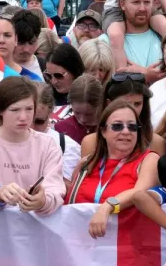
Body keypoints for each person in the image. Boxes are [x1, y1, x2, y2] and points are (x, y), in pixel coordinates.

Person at [0, 76, 66, 215]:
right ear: (0, 110)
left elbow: (55, 191)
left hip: (37, 230)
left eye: (29, 109)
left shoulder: (48, 144)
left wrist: (42, 201)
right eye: (15, 110)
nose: (23, 117)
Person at [69, 99, 160, 240]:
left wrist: (107, 207)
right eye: (117, 126)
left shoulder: (149, 160)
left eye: (132, 127)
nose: (126, 131)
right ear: (103, 131)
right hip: (80, 244)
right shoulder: (86, 163)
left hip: (126, 247)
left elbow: (138, 193)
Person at [101, 0, 166, 78]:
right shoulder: (104, 43)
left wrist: (144, 74)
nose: (142, 8)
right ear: (122, 4)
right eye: (136, 2)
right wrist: (145, 75)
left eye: (147, 2)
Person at [56, 75, 103, 145]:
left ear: (101, 105)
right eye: (77, 112)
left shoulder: (112, 128)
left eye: (89, 114)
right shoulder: (60, 128)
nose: (82, 119)